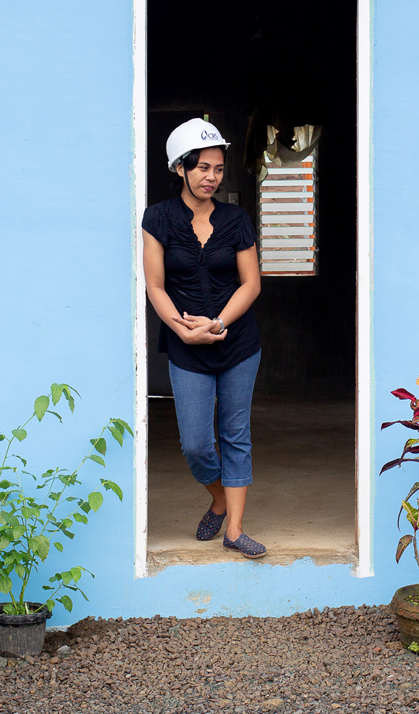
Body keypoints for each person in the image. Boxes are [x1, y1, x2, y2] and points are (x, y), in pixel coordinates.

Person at [141, 117, 266, 558]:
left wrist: (217, 325)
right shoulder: (157, 218)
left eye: (217, 168)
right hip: (184, 345)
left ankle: (234, 528)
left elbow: (250, 283)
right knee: (196, 443)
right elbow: (155, 285)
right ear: (180, 168)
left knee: (235, 433)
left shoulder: (236, 220)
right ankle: (216, 496)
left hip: (238, 343)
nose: (211, 177)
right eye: (202, 168)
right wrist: (181, 328)